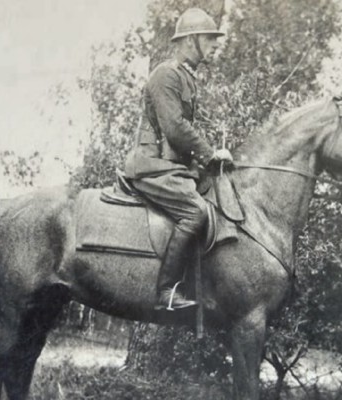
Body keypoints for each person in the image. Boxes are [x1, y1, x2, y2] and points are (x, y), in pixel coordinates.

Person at [124, 8, 233, 310]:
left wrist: (210, 165)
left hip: (172, 168)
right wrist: (211, 154)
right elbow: (174, 128)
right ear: (190, 40)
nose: (214, 44)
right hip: (151, 167)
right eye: (209, 38)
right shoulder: (166, 74)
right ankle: (166, 292)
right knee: (195, 213)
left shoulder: (186, 77)